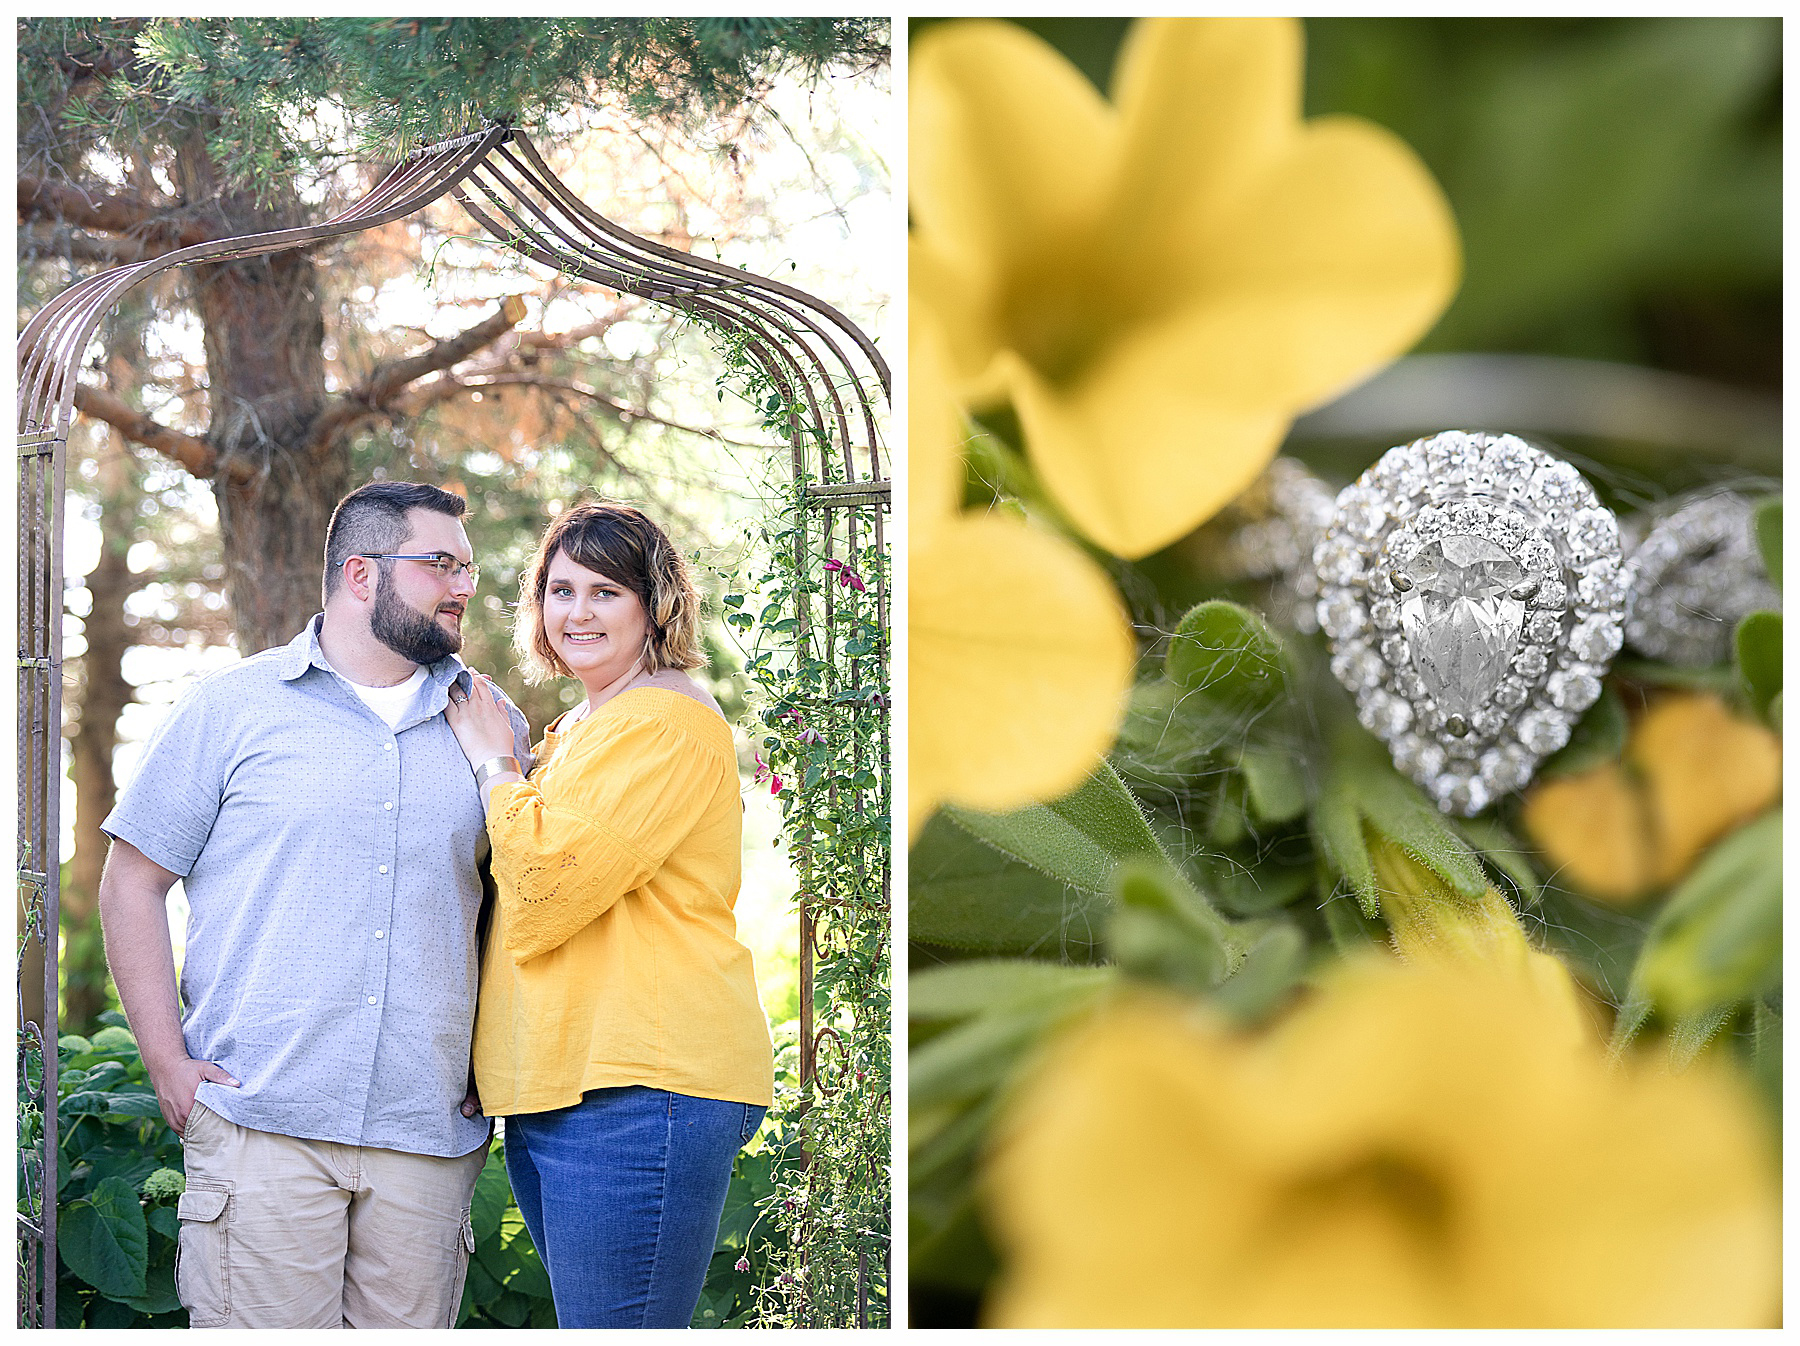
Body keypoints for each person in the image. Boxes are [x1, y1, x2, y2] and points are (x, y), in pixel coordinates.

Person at [98, 480, 530, 1329]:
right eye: (439, 563)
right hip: (264, 1122)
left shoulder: (492, 723)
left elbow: (521, 903)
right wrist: (164, 1061)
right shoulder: (232, 708)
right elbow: (132, 882)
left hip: (427, 1134)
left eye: (469, 567)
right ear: (361, 575)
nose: (465, 586)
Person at [444, 499, 775, 1329]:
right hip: (570, 1082)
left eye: (605, 592)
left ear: (655, 604)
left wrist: (492, 763)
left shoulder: (662, 721)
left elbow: (548, 885)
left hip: (642, 1084)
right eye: (560, 591)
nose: (577, 613)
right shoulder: (587, 727)